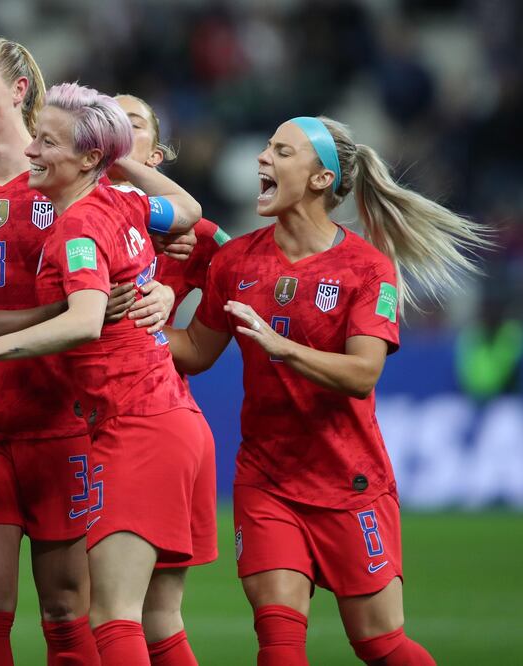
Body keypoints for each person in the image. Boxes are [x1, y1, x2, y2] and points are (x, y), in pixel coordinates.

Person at [166, 116, 489, 665]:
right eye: (265, 147)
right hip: (267, 479)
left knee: (380, 644)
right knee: (279, 638)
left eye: (281, 151)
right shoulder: (235, 260)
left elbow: (363, 373)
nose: (262, 158)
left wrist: (279, 345)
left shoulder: (367, 268)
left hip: (351, 480)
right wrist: (123, 319)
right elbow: (196, 350)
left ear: (320, 179)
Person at [0, 82, 214, 666]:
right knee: (152, 618)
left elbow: (84, 321)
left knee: (115, 617)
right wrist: (111, 156)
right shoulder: (127, 204)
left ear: (86, 159)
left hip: (137, 424)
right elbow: (188, 209)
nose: (31, 151)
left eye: (47, 142)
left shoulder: (79, 225)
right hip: (164, 418)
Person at [113, 94, 230, 324]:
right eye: (108, 122)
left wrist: (168, 297)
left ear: (155, 156)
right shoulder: (58, 207)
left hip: (146, 357)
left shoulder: (190, 232)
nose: (117, 131)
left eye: (133, 124)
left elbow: (247, 275)